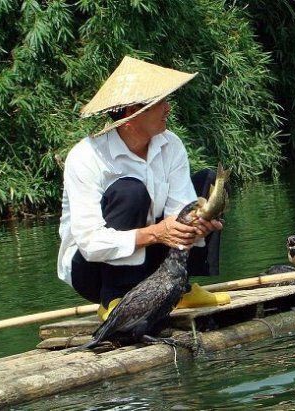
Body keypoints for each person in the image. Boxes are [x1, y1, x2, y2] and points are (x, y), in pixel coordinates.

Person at [57, 56, 229, 320]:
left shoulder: (170, 145)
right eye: (159, 103)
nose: (168, 108)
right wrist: (157, 233)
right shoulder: (86, 158)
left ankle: (178, 290)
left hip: (150, 259)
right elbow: (90, 243)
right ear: (131, 116)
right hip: (92, 271)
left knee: (204, 190)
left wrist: (197, 225)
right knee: (130, 191)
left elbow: (176, 214)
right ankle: (115, 298)